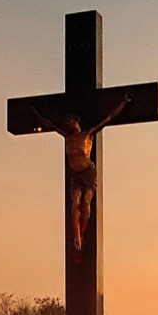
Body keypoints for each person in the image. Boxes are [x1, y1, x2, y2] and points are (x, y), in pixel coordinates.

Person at [32, 94, 131, 251]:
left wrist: (124, 103)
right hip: (76, 175)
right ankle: (77, 237)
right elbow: (49, 124)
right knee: (75, 203)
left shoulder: (88, 134)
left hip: (88, 173)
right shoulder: (67, 136)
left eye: (70, 121)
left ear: (76, 122)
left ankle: (82, 233)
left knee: (85, 202)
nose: (68, 123)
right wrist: (35, 113)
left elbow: (108, 118)